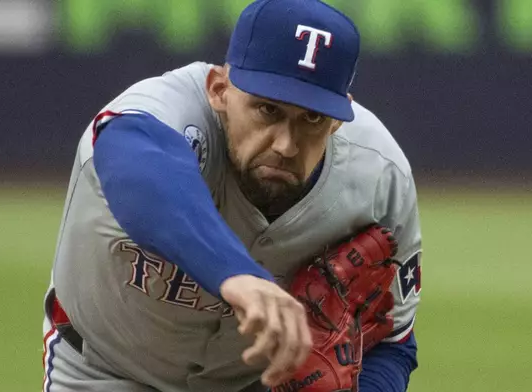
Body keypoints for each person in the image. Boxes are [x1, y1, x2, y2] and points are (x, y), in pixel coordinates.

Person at [41, 1, 422, 391]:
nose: (286, 145)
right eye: (267, 109)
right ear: (219, 89)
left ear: (341, 119)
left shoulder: (380, 178)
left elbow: (392, 342)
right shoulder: (162, 113)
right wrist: (236, 274)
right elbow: (138, 170)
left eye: (312, 118)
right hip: (107, 368)